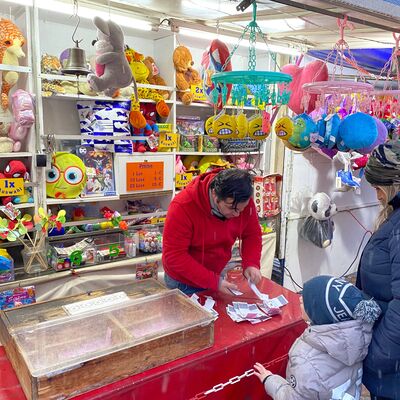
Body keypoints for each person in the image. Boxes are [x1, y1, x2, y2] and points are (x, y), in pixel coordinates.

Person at [254, 275, 381, 400]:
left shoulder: (306, 362)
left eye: (306, 300)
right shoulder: (357, 340)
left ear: (321, 315)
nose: (299, 299)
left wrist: (270, 381)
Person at [162, 168, 262, 296]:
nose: (237, 214)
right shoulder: (182, 206)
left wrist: (251, 263)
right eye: (232, 208)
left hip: (215, 274)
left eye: (241, 210)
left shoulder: (240, 201)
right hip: (183, 281)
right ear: (215, 195)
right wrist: (213, 281)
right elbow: (175, 256)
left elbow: (252, 234)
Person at [356, 140, 400, 400]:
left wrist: (376, 356)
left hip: (392, 369)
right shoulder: (394, 219)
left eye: (377, 187)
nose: (376, 195)